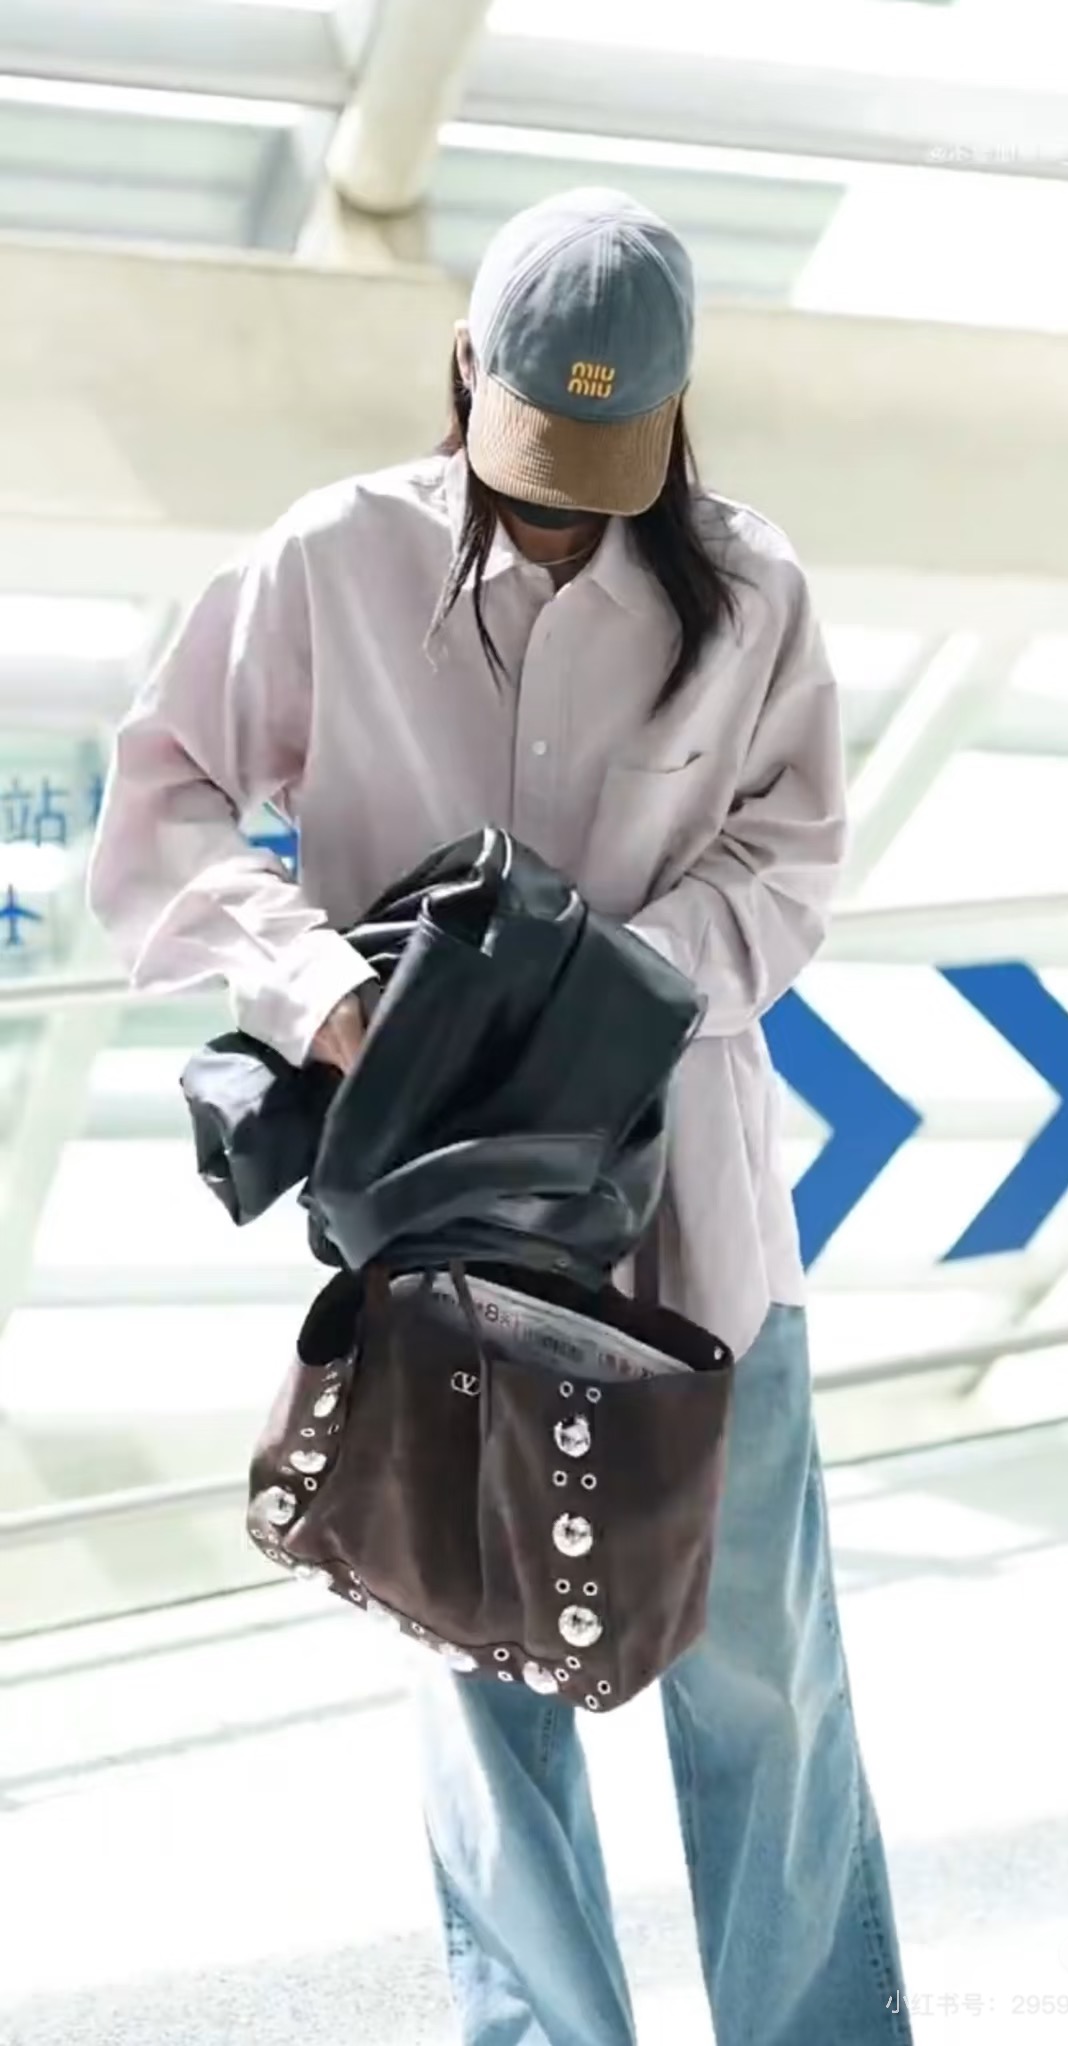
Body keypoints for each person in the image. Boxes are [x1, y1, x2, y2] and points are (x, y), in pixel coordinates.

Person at [87, 187, 913, 2045]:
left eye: (602, 476)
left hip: (696, 1234)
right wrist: (321, 986)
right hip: (431, 1237)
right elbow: (163, 798)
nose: (557, 511)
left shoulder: (753, 592)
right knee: (479, 1676)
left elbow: (791, 861)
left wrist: (605, 990)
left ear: (676, 418)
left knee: (763, 1682)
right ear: (465, 368)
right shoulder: (334, 558)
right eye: (534, 461)